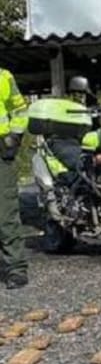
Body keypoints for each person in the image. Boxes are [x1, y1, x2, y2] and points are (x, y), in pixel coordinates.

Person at [0, 67, 29, 288]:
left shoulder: (3, 77)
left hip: (1, 151)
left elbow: (20, 110)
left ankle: (15, 268)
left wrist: (15, 137)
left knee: (5, 212)